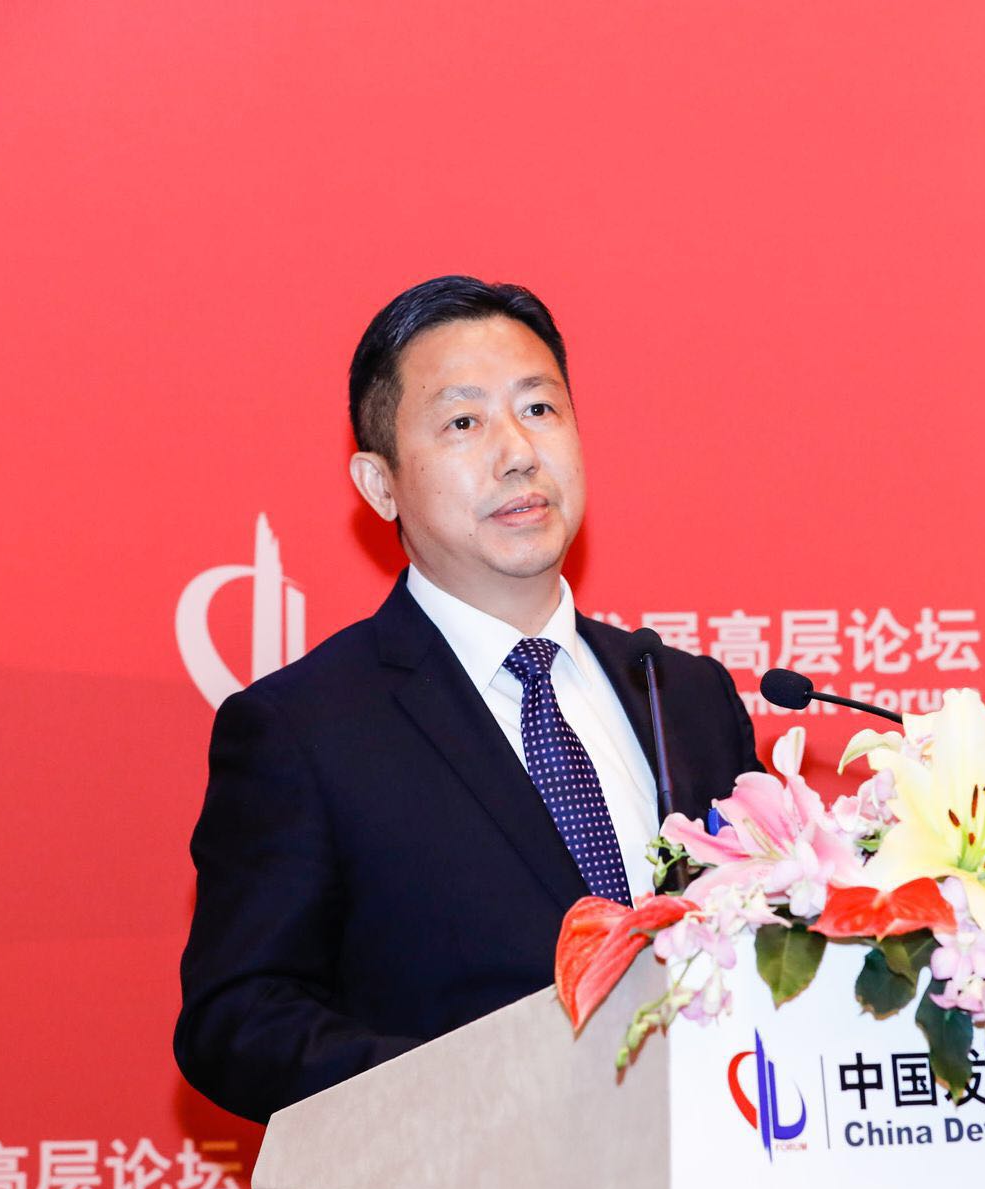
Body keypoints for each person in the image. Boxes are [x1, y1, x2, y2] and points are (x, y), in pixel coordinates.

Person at [175, 276, 763, 1126]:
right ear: (380, 485)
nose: (518, 452)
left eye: (539, 409)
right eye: (463, 422)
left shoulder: (685, 695)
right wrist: (473, 1095)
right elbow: (238, 1021)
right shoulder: (304, 731)